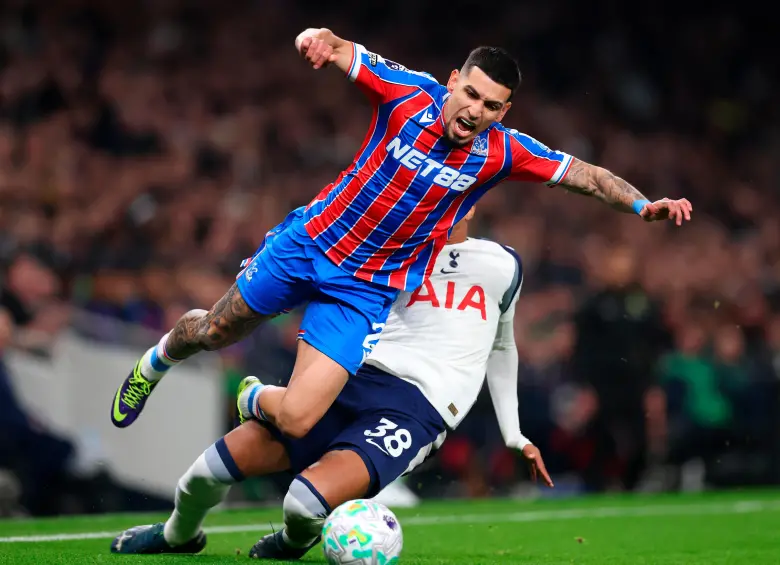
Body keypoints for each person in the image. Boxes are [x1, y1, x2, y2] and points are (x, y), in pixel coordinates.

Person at [110, 27, 692, 438]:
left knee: (296, 418)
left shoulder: (505, 152)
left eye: (491, 105)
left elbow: (585, 176)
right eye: (469, 93)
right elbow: (338, 46)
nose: (474, 111)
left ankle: (252, 397)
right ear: (452, 81)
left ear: (504, 111)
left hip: (364, 288)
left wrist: (644, 205)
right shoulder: (407, 92)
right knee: (213, 331)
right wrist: (312, 39)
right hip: (308, 245)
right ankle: (156, 362)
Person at [110, 209, 553, 557]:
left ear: (470, 204)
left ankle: (291, 529)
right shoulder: (387, 249)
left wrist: (513, 434)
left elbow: (501, 346)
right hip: (354, 379)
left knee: (302, 506)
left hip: (418, 408)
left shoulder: (502, 265)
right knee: (203, 475)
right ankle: (177, 536)